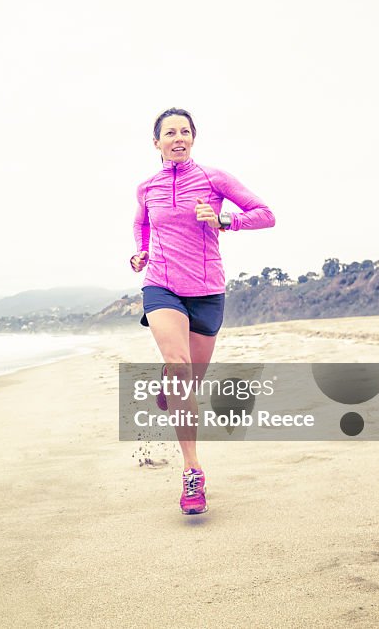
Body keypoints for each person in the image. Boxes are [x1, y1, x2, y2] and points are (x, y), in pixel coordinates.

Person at [130, 107, 275, 515]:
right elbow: (142, 226)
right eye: (169, 133)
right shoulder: (146, 188)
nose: (178, 138)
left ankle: (170, 385)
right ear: (155, 142)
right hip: (162, 286)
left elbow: (266, 215)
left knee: (187, 382)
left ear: (193, 138)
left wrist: (224, 219)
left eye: (185, 132)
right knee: (178, 369)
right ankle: (193, 473)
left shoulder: (215, 179)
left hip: (207, 292)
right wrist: (141, 254)